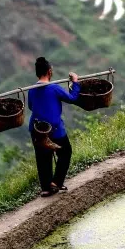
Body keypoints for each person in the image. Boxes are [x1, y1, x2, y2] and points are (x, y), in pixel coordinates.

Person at [28, 57, 81, 197]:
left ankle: (46, 188)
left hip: (36, 129)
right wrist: (75, 82)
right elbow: (72, 98)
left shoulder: (31, 90)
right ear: (49, 72)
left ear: (37, 73)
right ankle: (56, 182)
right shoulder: (55, 88)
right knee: (65, 152)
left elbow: (31, 106)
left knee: (42, 157)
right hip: (54, 129)